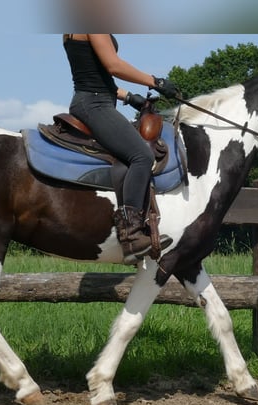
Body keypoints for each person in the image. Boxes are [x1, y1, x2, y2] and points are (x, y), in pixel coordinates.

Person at [63, 33, 180, 264]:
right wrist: (156, 82)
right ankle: (132, 234)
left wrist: (128, 97)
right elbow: (113, 65)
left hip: (95, 99)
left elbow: (95, 75)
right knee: (141, 156)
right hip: (94, 104)